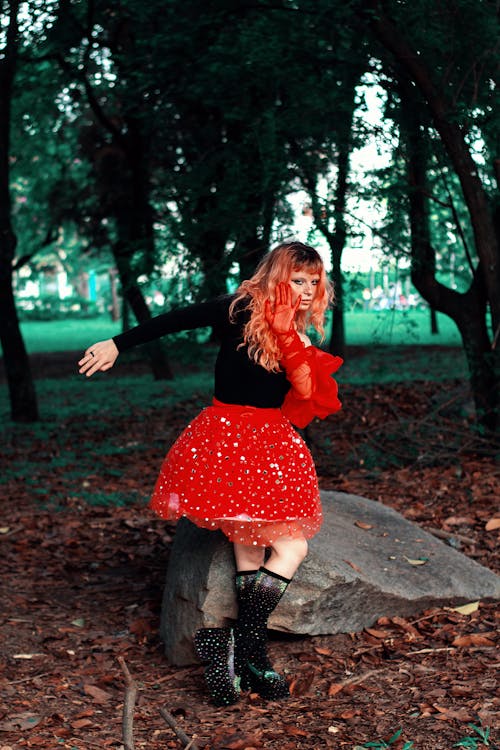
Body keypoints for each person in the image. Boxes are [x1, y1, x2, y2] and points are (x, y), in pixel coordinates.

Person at [78, 241, 343, 706]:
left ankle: (237, 648)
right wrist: (117, 344)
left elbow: (305, 396)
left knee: (269, 547)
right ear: (276, 276)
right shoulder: (238, 309)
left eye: (313, 282)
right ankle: (249, 650)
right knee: (271, 546)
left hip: (271, 444)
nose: (306, 290)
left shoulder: (297, 336)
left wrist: (288, 340)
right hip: (224, 440)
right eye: (297, 280)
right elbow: (175, 319)